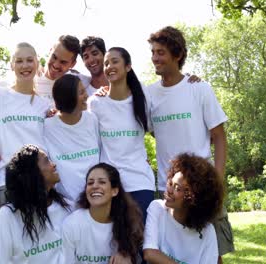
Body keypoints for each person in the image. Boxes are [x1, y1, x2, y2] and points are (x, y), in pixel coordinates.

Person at [146, 26, 234, 262]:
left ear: (177, 55)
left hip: (202, 187)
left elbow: (218, 135)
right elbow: (155, 131)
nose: (155, 58)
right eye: (153, 52)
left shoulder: (199, 89)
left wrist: (217, 178)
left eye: (161, 52)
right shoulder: (149, 94)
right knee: (172, 249)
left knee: (213, 252)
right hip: (168, 187)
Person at [0, 42, 50, 217]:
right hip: (7, 184)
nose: (25, 66)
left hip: (39, 184)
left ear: (37, 63)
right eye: (19, 61)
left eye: (29, 60)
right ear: (12, 65)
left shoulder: (45, 104)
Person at [88, 47, 155, 222]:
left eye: (114, 61)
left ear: (128, 66)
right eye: (106, 63)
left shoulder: (143, 97)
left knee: (141, 240)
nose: (109, 66)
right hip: (110, 185)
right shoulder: (96, 102)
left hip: (140, 181)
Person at [0, 144, 71, 263]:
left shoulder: (65, 208)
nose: (54, 164)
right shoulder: (8, 216)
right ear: (32, 172)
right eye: (47, 161)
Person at [143, 153, 224, 264]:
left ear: (195, 198)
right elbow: (150, 253)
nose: (169, 190)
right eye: (170, 183)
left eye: (177, 188)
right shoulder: (157, 208)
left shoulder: (208, 231)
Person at [61, 163, 144, 264]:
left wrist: (127, 256)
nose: (95, 186)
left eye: (102, 182)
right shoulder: (72, 224)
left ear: (114, 191)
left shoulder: (127, 222)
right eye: (90, 183)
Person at [44, 74, 100, 201]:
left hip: (94, 199)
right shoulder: (47, 126)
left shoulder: (92, 119)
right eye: (81, 92)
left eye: (85, 90)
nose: (86, 95)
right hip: (64, 202)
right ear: (68, 97)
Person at [35, 35, 81, 102]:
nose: (56, 65)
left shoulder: (78, 84)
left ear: (73, 64)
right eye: (54, 57)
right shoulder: (31, 81)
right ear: (50, 51)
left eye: (63, 62)